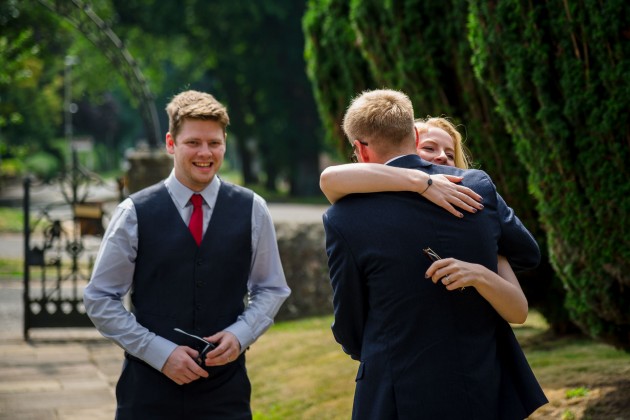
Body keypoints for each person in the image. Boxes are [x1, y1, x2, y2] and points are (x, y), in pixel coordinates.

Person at [322, 89, 547, 419]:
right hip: (483, 378)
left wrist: (375, 348)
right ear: (414, 135)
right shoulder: (477, 187)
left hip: (398, 387)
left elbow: (350, 321)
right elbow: (527, 253)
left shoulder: (343, 217)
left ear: (359, 149)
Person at [84, 90, 291, 419]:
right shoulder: (134, 213)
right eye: (193, 142)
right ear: (171, 143)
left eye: (214, 143)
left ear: (225, 143)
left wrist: (240, 335)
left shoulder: (252, 209)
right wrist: (160, 353)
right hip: (148, 393)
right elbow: (100, 298)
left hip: (226, 394)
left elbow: (271, 288)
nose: (205, 153)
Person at [321, 116, 527, 324]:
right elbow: (330, 178)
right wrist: (423, 181)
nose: (441, 157)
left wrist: (487, 252)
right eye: (429, 148)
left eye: (450, 154)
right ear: (409, 147)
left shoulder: (475, 199)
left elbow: (526, 257)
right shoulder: (371, 203)